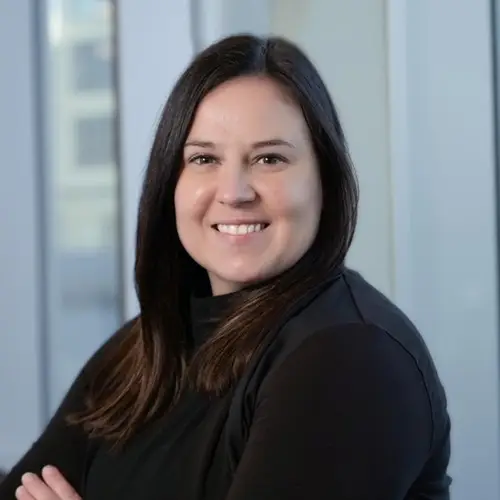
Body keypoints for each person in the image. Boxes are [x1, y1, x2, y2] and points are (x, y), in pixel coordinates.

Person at [0, 34, 451, 500]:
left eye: (269, 158)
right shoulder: (145, 348)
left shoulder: (352, 356)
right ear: (170, 184)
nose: (234, 191)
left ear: (325, 180)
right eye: (204, 159)